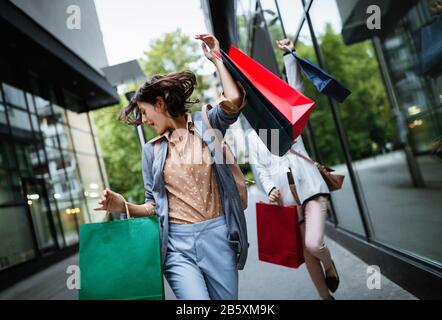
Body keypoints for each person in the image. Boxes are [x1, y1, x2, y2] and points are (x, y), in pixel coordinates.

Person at [94, 33, 249, 300]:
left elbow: (234, 99)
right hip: (176, 247)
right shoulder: (151, 151)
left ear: (160, 103)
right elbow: (153, 205)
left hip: (218, 237)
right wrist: (124, 206)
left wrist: (216, 59)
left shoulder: (207, 125)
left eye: (144, 112)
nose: (143, 120)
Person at [248, 38, 339, 300]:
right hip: (288, 202)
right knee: (308, 255)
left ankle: (330, 263)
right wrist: (271, 189)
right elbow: (262, 170)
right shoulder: (253, 137)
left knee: (314, 244)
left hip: (311, 190)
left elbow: (296, 88)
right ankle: (326, 298)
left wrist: (289, 54)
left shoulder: (285, 117)